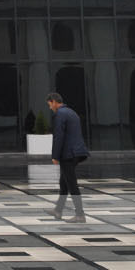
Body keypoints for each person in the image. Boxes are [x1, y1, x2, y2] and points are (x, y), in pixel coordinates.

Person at [47, 92, 89, 223]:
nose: (50, 108)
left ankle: (80, 215)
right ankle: (58, 210)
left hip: (68, 154)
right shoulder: (71, 112)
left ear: (54, 102)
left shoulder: (59, 114)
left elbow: (58, 137)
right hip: (77, 152)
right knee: (64, 182)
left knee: (71, 184)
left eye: (50, 105)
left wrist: (55, 156)